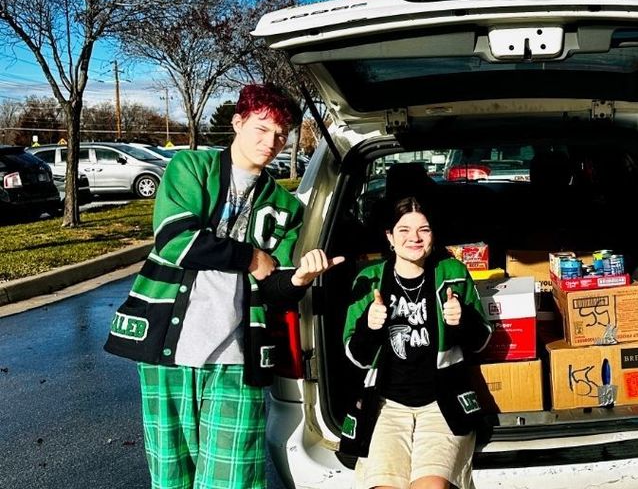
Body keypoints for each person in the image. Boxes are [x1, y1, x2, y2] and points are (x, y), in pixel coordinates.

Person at [104, 83, 343, 489]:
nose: (271, 142)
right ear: (237, 123)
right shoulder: (190, 168)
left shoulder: (286, 207)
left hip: (238, 355)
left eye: (281, 134)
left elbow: (274, 287)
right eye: (262, 128)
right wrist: (251, 257)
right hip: (168, 350)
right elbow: (175, 239)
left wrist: (298, 279)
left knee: (234, 478)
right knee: (171, 475)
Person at [341, 196, 492, 489]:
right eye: (404, 230)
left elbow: (481, 340)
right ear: (390, 237)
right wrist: (369, 327)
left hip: (442, 405)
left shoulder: (454, 273)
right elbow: (355, 356)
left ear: (433, 235)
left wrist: (462, 320)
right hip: (386, 407)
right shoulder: (369, 279)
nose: (415, 238)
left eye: (424, 229)